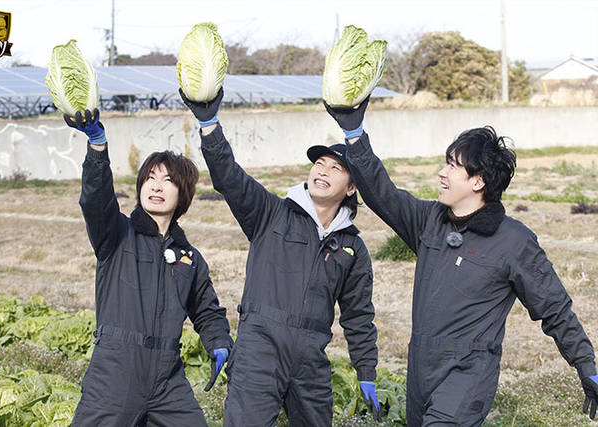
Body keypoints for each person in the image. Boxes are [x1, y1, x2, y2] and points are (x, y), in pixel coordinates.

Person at [324, 97, 598, 425]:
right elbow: (382, 193)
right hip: (421, 368)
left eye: (452, 166)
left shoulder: (514, 241)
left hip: (469, 374)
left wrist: (586, 364)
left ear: (478, 181)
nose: (442, 173)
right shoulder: (429, 221)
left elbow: (554, 307)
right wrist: (354, 133)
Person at [180, 88, 382, 426]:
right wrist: (209, 125)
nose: (323, 170)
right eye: (319, 163)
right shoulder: (270, 213)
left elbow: (358, 315)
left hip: (310, 359)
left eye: (336, 168)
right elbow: (229, 177)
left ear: (351, 188)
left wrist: (367, 370)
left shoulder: (352, 247)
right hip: (259, 350)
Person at [65, 109, 233, 427]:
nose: (156, 186)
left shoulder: (189, 258)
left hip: (167, 378)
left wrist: (219, 341)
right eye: (150, 178)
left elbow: (207, 312)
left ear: (182, 193)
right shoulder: (116, 235)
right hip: (116, 371)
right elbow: (95, 200)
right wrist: (97, 148)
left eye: (167, 180)